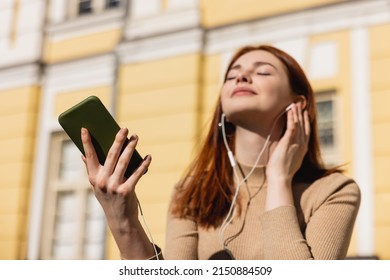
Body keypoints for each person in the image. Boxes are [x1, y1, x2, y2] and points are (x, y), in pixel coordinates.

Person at [80, 45, 361, 260]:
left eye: (262, 71)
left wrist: (278, 179)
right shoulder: (192, 191)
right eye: (232, 75)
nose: (241, 76)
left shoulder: (333, 191)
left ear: (297, 104)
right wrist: (122, 219)